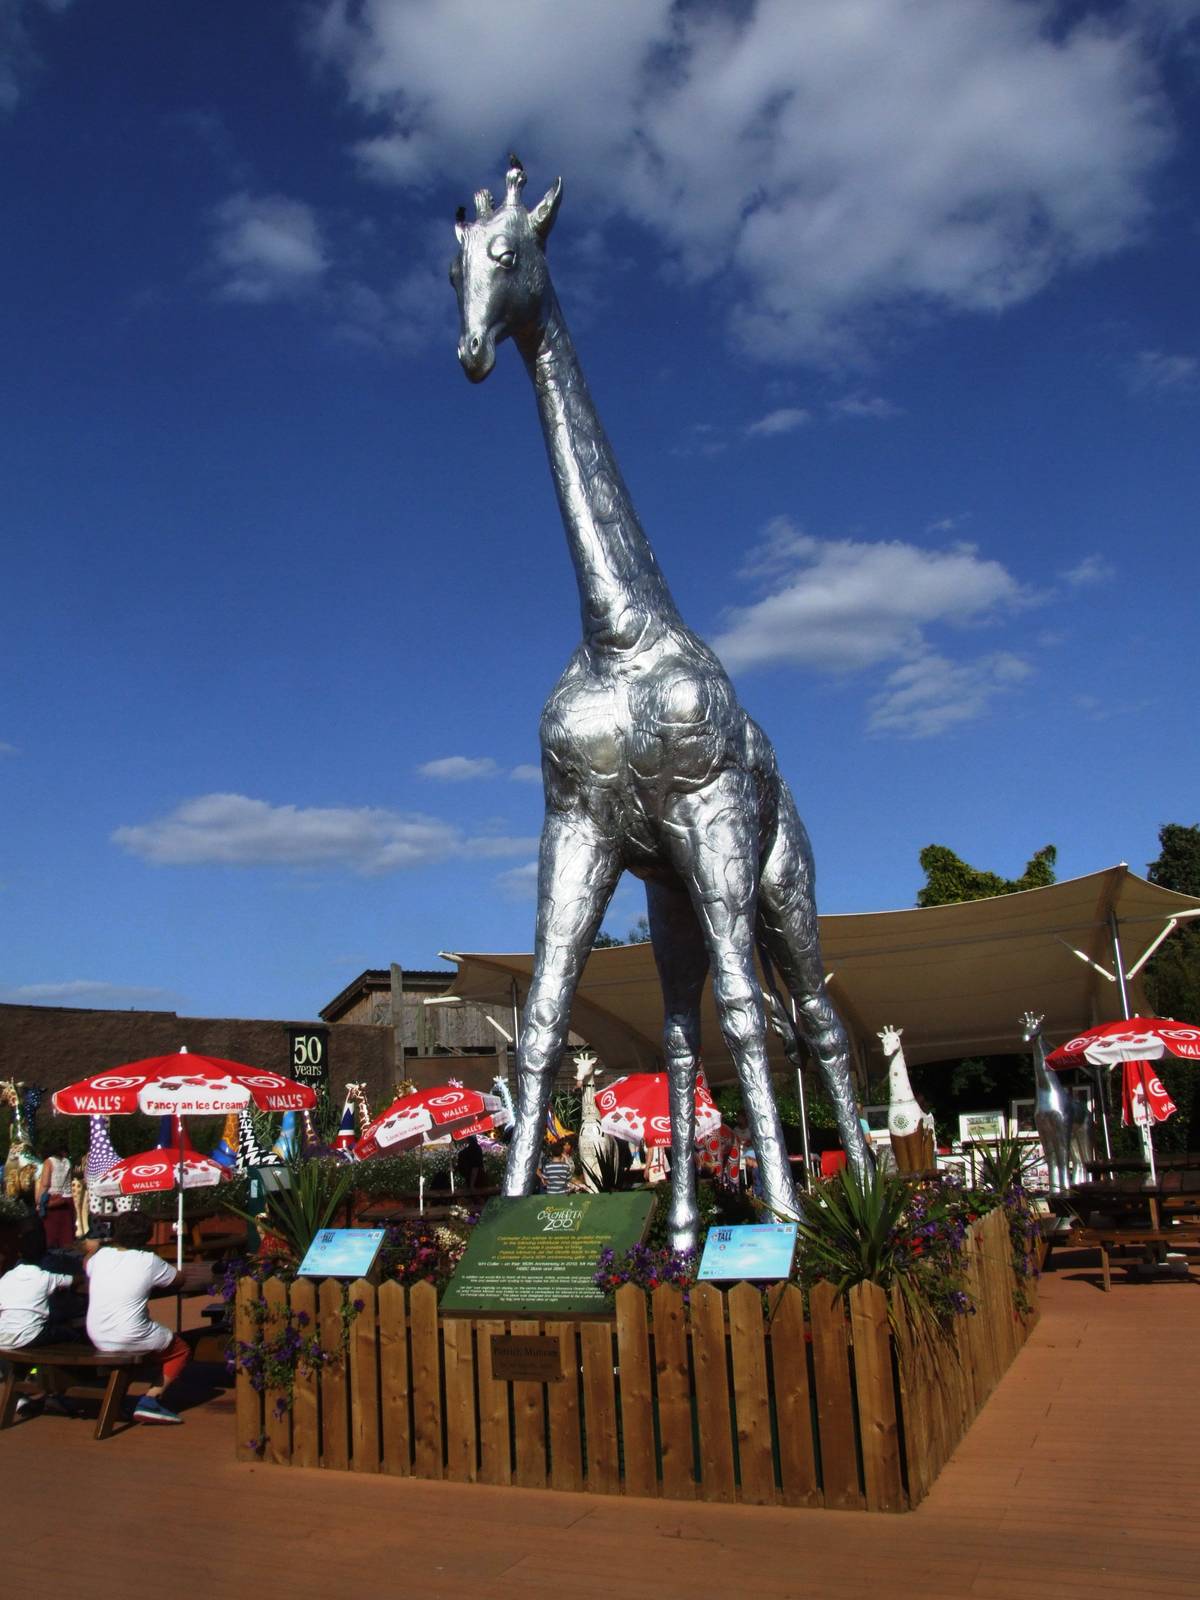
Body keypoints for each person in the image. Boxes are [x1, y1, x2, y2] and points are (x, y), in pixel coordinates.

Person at [85, 1210, 190, 1425]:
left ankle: (126, 1397)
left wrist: (91, 1250)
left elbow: (86, 1264)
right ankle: (151, 1399)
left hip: (98, 1334)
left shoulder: (101, 1257)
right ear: (148, 1236)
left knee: (140, 1348)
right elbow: (177, 1279)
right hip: (131, 1334)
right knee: (180, 1350)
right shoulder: (149, 1260)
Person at [36, 1141, 76, 1250]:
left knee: (51, 1235)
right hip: (67, 1199)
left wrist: (39, 1200)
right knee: (66, 1235)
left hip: (53, 1200)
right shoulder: (68, 1162)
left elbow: (45, 1184)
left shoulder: (49, 1162)